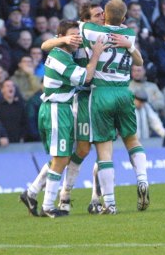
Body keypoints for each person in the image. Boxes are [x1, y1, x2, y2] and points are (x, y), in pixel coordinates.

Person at [20, 19, 107, 217]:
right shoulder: (60, 57)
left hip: (63, 108)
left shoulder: (65, 52)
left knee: (63, 157)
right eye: (73, 36)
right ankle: (49, 206)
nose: (77, 39)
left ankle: (32, 193)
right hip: (56, 108)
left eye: (78, 35)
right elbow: (86, 77)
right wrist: (96, 55)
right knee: (60, 158)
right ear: (62, 38)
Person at [79, 0, 149, 214]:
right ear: (125, 18)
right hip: (124, 91)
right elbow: (137, 60)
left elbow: (79, 25)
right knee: (132, 139)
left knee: (104, 150)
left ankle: (109, 203)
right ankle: (143, 180)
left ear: (104, 16)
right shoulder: (129, 35)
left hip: (101, 92)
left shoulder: (90, 30)